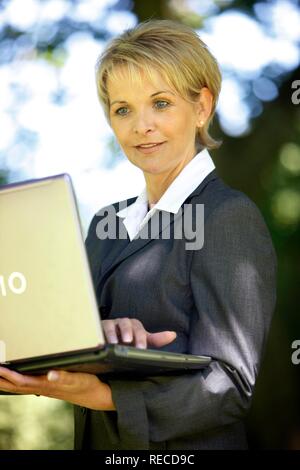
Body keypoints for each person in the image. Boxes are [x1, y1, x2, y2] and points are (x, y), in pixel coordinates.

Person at [0, 20, 277, 450]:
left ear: (201, 106)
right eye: (122, 109)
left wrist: (106, 397)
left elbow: (230, 385)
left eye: (161, 103)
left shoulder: (227, 217)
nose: (140, 126)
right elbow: (73, 344)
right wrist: (95, 337)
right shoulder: (105, 225)